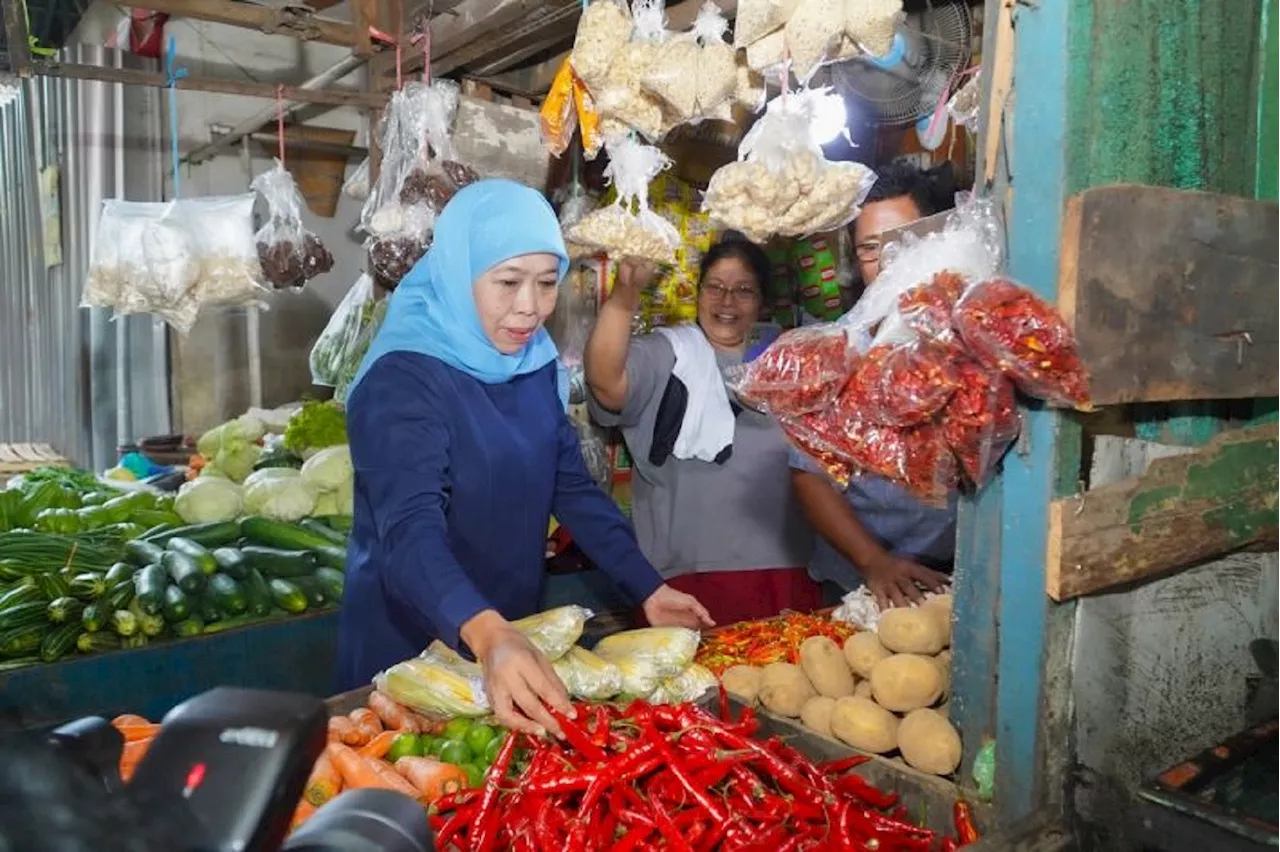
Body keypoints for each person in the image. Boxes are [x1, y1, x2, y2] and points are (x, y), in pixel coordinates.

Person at [338, 179, 712, 737]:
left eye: (546, 283)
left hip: (513, 634)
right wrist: (487, 633)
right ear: (460, 272)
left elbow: (572, 487)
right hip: (414, 646)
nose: (529, 308)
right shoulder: (402, 380)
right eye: (508, 282)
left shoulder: (530, 362)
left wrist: (647, 587)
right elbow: (407, 533)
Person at [584, 236, 817, 626]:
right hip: (684, 580)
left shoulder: (788, 362)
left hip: (786, 572)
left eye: (744, 291)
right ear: (698, 292)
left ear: (761, 302)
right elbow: (606, 383)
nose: (727, 302)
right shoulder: (668, 353)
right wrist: (625, 297)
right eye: (715, 287)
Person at [790, 159, 959, 609]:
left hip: (959, 575)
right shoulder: (837, 355)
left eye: (902, 243)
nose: (886, 263)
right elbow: (809, 479)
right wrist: (874, 562)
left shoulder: (971, 343)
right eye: (869, 249)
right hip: (858, 581)